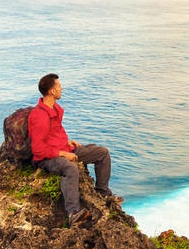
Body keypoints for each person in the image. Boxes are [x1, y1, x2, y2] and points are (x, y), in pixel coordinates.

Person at [28, 73, 121, 227]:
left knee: (102, 153)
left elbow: (54, 133)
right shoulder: (39, 116)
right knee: (71, 169)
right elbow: (38, 149)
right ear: (51, 91)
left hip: (63, 148)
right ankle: (73, 213)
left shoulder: (55, 109)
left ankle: (103, 193)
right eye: (58, 86)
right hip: (47, 158)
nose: (61, 88)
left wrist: (67, 143)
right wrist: (62, 153)